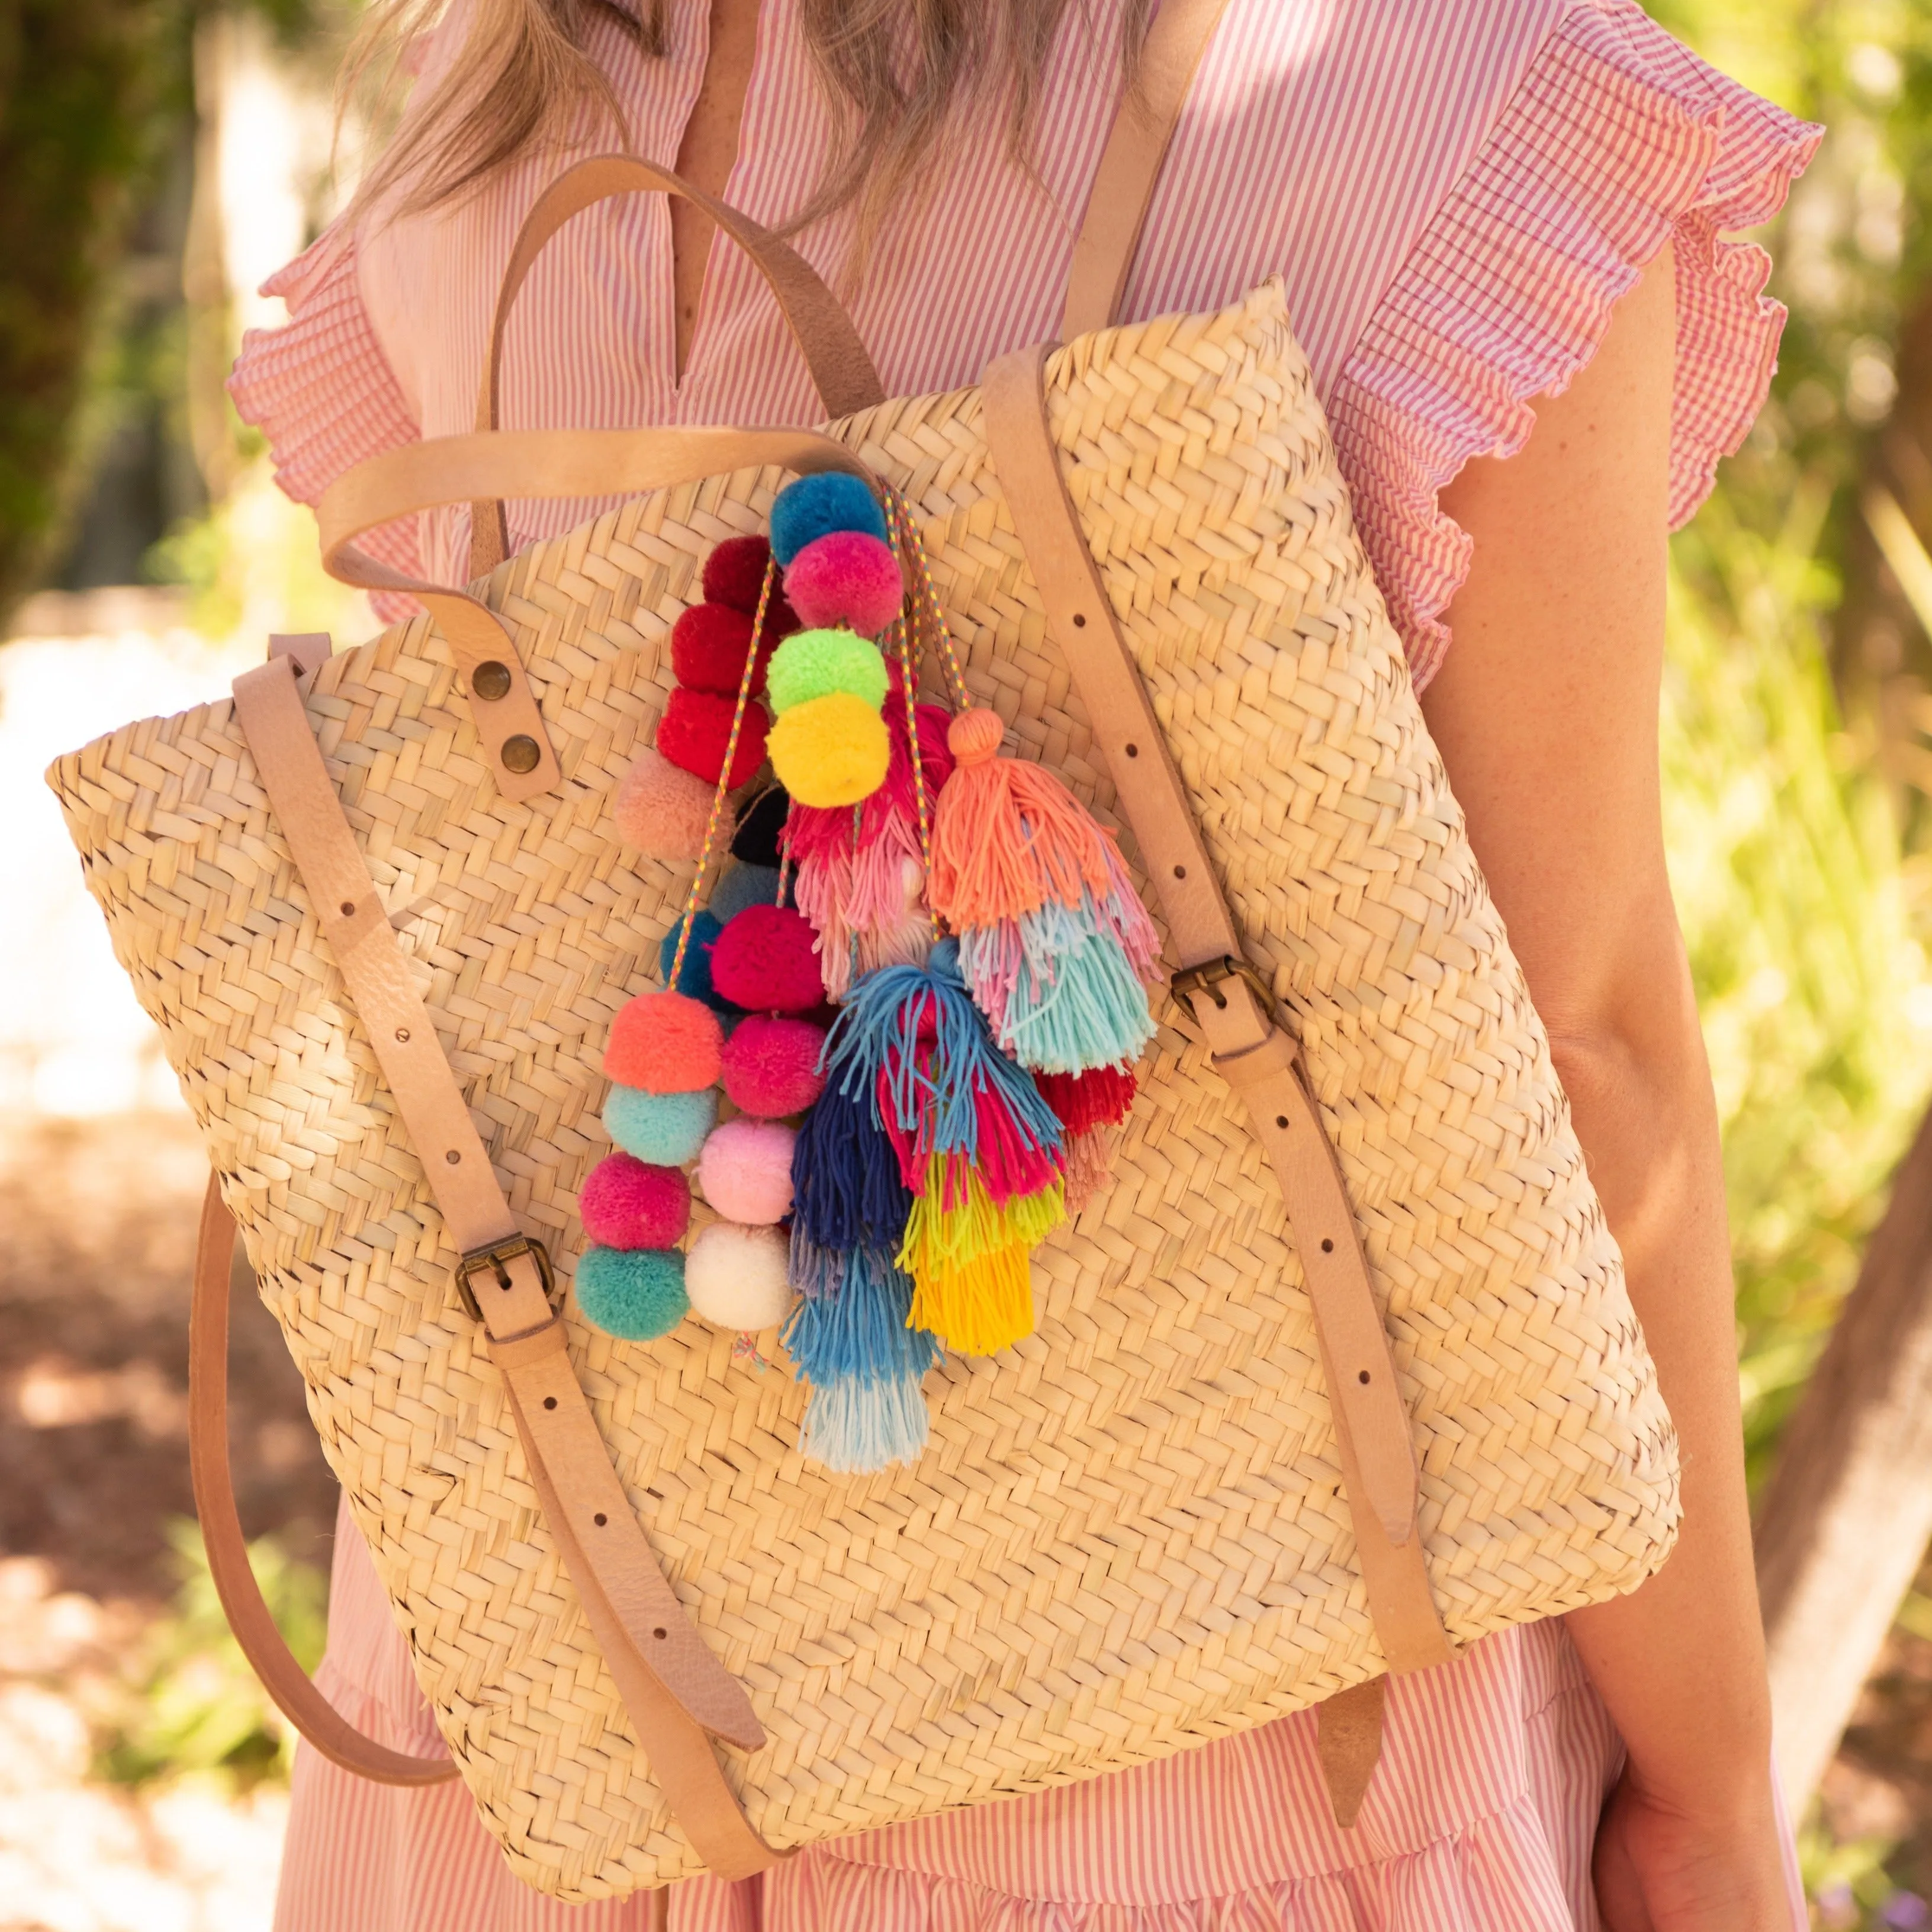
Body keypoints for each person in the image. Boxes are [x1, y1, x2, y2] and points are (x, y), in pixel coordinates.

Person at [230, 1, 1822, 1926]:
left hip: (586, 1679)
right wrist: (1713, 1797)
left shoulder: (508, 85)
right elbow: (1577, 1058)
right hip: (1215, 1721)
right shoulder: (1456, 79)